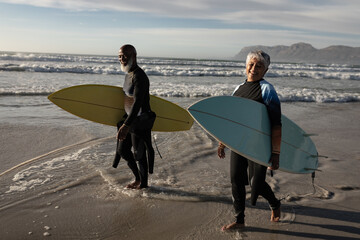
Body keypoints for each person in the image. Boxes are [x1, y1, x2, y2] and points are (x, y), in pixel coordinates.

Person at [219, 50, 282, 231]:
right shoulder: (238, 88)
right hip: (238, 143)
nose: (254, 69)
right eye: (251, 64)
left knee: (257, 183)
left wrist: (275, 154)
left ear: (265, 70)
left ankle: (274, 203)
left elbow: (276, 124)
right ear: (246, 66)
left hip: (258, 144)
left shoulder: (267, 89)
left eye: (259, 66)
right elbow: (231, 118)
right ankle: (239, 220)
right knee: (236, 180)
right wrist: (223, 142)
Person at [113, 44, 155, 189]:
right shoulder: (128, 75)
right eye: (119, 56)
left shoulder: (139, 76)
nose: (121, 59)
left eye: (124, 56)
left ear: (133, 56)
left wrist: (126, 125)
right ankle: (137, 178)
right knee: (122, 150)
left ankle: (143, 184)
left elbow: (137, 103)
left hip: (140, 120)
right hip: (130, 118)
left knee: (139, 154)